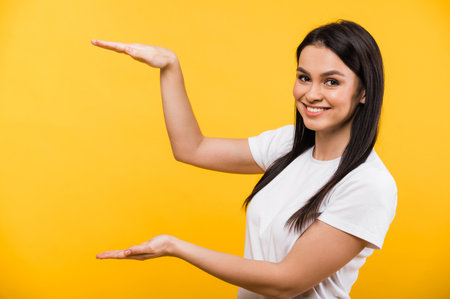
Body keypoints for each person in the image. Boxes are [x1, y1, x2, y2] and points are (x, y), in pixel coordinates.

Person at [92, 19, 397, 299]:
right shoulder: (287, 145)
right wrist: (170, 66)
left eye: (332, 82)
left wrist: (176, 247)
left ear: (364, 92)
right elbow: (191, 148)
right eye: (304, 78)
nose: (311, 94)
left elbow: (285, 281)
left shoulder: (367, 184)